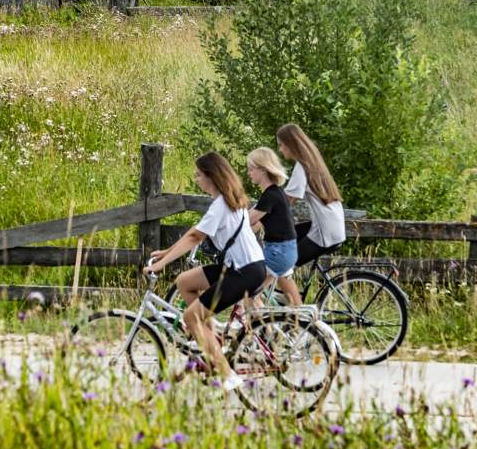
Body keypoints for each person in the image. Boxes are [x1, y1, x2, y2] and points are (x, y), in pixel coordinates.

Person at [143, 151, 265, 391]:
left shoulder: (221, 205)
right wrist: (167, 252)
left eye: (199, 175)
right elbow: (197, 232)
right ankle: (212, 341)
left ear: (212, 176)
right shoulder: (229, 200)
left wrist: (160, 265)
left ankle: (227, 375)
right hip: (242, 266)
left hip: (244, 271)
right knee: (184, 282)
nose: (197, 179)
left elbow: (195, 236)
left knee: (190, 317)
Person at [274, 123, 345, 305]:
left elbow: (287, 200)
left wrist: (262, 218)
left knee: (281, 266)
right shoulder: (312, 161)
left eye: (281, 145)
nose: (280, 150)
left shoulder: (302, 167)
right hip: (330, 226)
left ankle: (301, 319)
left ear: (291, 144)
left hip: (324, 231)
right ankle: (287, 301)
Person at [246, 147, 298, 294]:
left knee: (246, 288)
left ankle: (249, 316)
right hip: (281, 250)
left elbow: (248, 220)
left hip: (279, 252)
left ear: (263, 169)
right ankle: (257, 317)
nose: (249, 173)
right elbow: (251, 219)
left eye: (251, 169)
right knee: (253, 293)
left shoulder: (271, 195)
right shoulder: (274, 193)